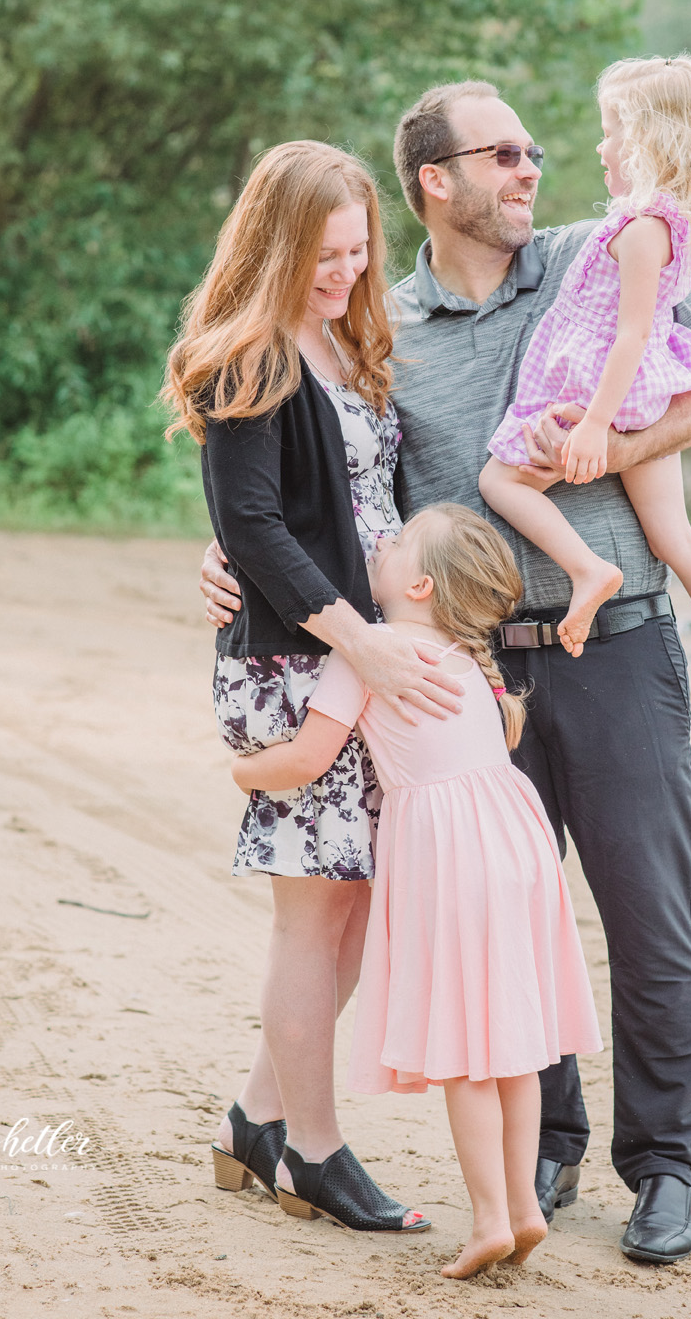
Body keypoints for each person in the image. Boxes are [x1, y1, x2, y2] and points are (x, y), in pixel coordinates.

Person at [201, 81, 691, 1264]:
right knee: (510, 920)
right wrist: (231, 552)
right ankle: (542, 1149)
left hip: (611, 646)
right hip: (459, 683)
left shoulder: (593, 256)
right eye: (500, 152)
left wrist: (611, 445)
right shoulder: (376, 325)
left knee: (651, 921)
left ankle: (661, 1169)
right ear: (432, 182)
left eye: (535, 149)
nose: (529, 168)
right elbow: (328, 488)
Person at [161, 140, 464, 1234]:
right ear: (278, 244)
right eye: (325, 255)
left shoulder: (341, 343)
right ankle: (313, 1150)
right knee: (313, 912)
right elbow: (252, 523)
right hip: (298, 661)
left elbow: (346, 504)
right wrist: (361, 641)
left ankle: (255, 1115)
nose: (345, 272)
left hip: (359, 648)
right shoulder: (244, 352)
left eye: (358, 249)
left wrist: (392, 637)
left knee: (358, 902)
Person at [230, 503, 603, 1279]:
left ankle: (492, 1220)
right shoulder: (468, 659)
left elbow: (306, 758)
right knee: (515, 1047)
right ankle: (527, 1208)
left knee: (466, 1051)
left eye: (396, 540)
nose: (380, 543)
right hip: (516, 841)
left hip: (450, 854)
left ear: (422, 583)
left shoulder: (369, 653)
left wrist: (242, 770)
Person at [480, 55, 691, 745]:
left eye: (610, 132)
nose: (600, 147)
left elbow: (633, 332)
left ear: (647, 142)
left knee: (500, 480)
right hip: (645, 396)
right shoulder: (672, 224)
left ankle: (589, 568)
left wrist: (596, 428)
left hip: (598, 397)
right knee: (674, 537)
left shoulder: (640, 227)